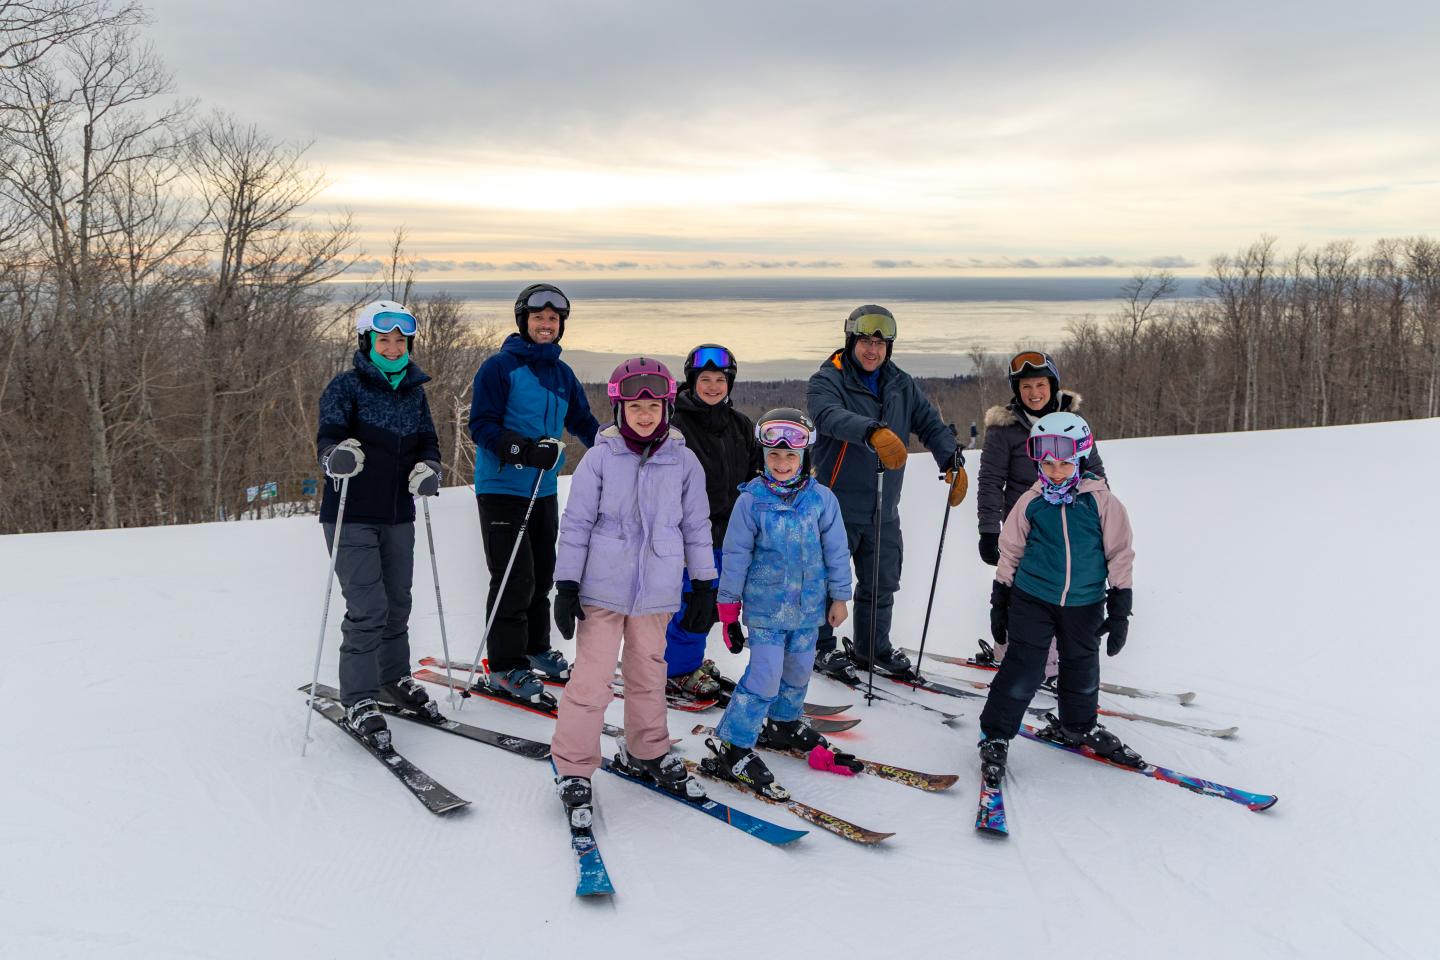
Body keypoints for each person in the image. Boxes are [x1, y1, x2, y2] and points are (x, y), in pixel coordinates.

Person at [550, 358, 717, 823]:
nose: (645, 415)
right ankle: (573, 766)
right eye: (635, 406)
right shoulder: (601, 457)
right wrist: (566, 583)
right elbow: (578, 523)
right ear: (620, 408)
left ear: (667, 407)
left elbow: (696, 527)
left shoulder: (683, 460)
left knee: (649, 676)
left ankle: (647, 750)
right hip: (600, 592)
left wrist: (704, 583)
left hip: (657, 593)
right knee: (590, 681)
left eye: (654, 406)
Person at [976, 412, 1137, 788]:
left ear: (1080, 458)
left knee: (1081, 666)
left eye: (1065, 462)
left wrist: (1121, 605)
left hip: (1085, 602)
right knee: (1024, 668)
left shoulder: (1102, 502)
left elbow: (1119, 553)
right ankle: (996, 733)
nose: (1056, 470)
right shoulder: (1031, 502)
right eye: (1047, 462)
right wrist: (1001, 597)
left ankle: (1078, 726)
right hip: (1033, 597)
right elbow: (1011, 551)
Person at [806, 305, 966, 680]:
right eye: (865, 341)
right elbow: (825, 415)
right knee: (826, 580)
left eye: (880, 343)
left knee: (881, 582)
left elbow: (929, 423)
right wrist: (871, 431)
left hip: (884, 506)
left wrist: (951, 461)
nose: (872, 350)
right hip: (835, 504)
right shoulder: (828, 379)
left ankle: (871, 648)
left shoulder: (900, 384)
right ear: (851, 341)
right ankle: (820, 647)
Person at [704, 409, 855, 797]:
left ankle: (783, 724)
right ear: (764, 456)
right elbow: (735, 555)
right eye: (774, 455)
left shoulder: (822, 500)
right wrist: (728, 610)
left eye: (790, 456)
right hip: (767, 611)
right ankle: (734, 744)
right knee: (764, 678)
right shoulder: (751, 502)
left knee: (799, 673)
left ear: (804, 456)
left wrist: (840, 595)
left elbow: (836, 551)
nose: (782, 463)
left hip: (809, 612)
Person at [316, 300, 443, 749]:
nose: (392, 347)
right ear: (367, 342)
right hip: (350, 516)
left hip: (397, 515)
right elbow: (327, 439)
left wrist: (429, 467)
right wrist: (338, 458)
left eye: (400, 340)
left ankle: (392, 679)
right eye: (383, 339)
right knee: (368, 608)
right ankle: (359, 698)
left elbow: (428, 439)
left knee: (397, 604)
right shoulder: (345, 387)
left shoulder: (414, 391)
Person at [467, 283, 600, 703]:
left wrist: (619, 449)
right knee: (513, 578)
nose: (546, 324)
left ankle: (535, 647)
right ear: (523, 320)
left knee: (543, 572)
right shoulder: (500, 367)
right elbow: (481, 425)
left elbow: (583, 421)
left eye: (554, 319)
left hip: (542, 489)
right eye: (539, 317)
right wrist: (523, 450)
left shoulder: (562, 374)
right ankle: (505, 665)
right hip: (503, 486)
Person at [976, 351, 1107, 678]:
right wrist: (988, 529)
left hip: (1070, 524)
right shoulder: (1003, 429)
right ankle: (1013, 654)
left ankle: (1054, 659)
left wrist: (1102, 514)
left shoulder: (1071, 422)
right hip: (1026, 528)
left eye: (1040, 385)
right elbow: (991, 480)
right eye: (1025, 387)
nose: (1033, 393)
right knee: (1022, 593)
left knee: (1062, 591)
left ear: (1052, 385)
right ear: (1016, 390)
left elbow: (1093, 469)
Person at [663, 343, 762, 699]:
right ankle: (676, 671)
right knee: (692, 605)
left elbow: (755, 474)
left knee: (712, 604)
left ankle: (689, 660)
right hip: (690, 534)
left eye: (720, 379)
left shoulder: (740, 425)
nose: (713, 386)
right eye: (705, 379)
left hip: (731, 534)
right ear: (691, 381)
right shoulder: (675, 424)